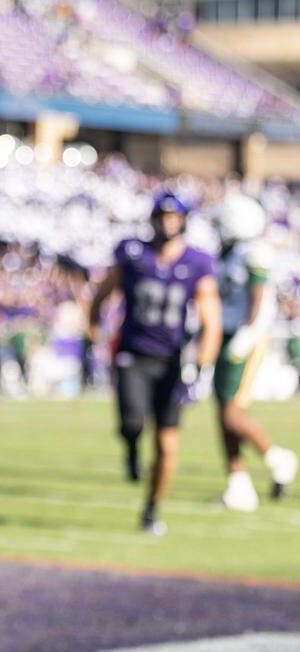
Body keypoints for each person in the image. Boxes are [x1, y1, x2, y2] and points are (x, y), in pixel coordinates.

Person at [89, 191, 222, 535]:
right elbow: (102, 294)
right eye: (162, 216)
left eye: (174, 216)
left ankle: (151, 510)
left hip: (171, 362)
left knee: (166, 445)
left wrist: (203, 369)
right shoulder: (133, 253)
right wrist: (94, 332)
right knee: (133, 423)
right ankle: (131, 447)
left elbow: (211, 323)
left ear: (184, 221)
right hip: (133, 354)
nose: (168, 222)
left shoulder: (197, 262)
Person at [212, 194, 296, 510]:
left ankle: (277, 458)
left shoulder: (253, 251)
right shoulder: (231, 253)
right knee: (223, 413)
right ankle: (238, 483)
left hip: (246, 337)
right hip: (226, 334)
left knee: (232, 413)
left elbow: (259, 298)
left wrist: (246, 334)